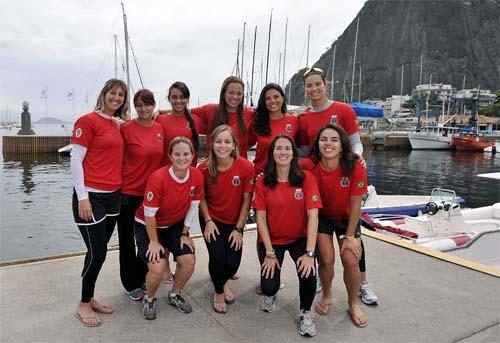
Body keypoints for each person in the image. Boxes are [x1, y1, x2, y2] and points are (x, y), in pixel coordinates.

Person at [299, 67, 378, 305]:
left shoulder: (342, 110)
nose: (314, 89)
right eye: (309, 86)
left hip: (344, 180)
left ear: (326, 84)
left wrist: (355, 160)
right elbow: (304, 152)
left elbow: (355, 142)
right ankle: (324, 283)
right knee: (325, 255)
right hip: (320, 190)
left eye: (317, 84)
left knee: (353, 249)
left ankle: (363, 284)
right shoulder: (304, 118)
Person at [71, 78, 128, 327]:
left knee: (96, 252)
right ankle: (83, 304)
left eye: (121, 95)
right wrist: (83, 198)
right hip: (91, 197)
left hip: (113, 196)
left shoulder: (118, 125)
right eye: (112, 93)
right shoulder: (87, 121)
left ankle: (89, 297)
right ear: (104, 94)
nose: (116, 98)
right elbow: (75, 161)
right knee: (99, 253)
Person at [252, 134, 322, 337]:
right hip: (271, 241)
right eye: (278, 148)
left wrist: (310, 254)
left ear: (293, 153)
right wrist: (270, 253)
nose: (283, 152)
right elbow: (261, 220)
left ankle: (305, 313)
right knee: (269, 287)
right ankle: (270, 294)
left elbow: (313, 217)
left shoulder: (306, 178)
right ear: (272, 154)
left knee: (309, 276)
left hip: (299, 239)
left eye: (287, 148)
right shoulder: (264, 181)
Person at [301, 124, 368, 327]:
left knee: (351, 260)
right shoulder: (308, 165)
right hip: (322, 218)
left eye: (334, 139)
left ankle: (353, 302)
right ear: (318, 144)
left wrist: (350, 237)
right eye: (323, 139)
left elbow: (356, 204)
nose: (328, 143)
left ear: (342, 145)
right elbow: (282, 167)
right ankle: (328, 294)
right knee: (327, 261)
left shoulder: (354, 166)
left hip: (348, 219)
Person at [134, 137, 203, 320]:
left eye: (186, 154)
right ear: (170, 156)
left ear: (192, 155)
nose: (182, 158)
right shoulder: (158, 178)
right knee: (157, 268)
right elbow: (149, 215)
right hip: (147, 224)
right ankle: (149, 299)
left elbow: (194, 206)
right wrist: (154, 242)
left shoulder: (197, 176)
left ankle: (175, 294)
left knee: (188, 260)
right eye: (177, 154)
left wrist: (185, 233)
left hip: (173, 225)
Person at [197, 125, 254, 313]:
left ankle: (220, 279)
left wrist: (239, 229)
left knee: (232, 264)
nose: (223, 146)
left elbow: (247, 201)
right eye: (219, 141)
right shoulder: (204, 167)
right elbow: (201, 198)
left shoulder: (246, 166)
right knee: (218, 257)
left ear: (234, 145)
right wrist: (208, 221)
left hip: (235, 221)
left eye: (227, 141)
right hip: (211, 218)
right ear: (212, 144)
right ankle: (219, 290)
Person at [117, 89, 164, 301]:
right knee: (127, 241)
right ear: (134, 107)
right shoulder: (126, 128)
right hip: (128, 194)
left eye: (148, 104)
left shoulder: (159, 128)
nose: (144, 109)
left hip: (150, 195)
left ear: (154, 105)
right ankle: (130, 283)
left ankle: (142, 274)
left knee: (145, 240)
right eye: (139, 105)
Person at [191, 76, 255, 158]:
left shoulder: (249, 113)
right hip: (213, 166)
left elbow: (252, 141)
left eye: (239, 93)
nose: (235, 97)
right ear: (223, 94)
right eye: (231, 92)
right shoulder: (210, 110)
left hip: (239, 166)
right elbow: (182, 111)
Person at [253, 83, 299, 174]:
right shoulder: (256, 121)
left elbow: (298, 148)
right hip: (260, 175)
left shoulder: (294, 121)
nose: (272, 101)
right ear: (264, 102)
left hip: (285, 175)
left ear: (282, 98)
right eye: (268, 98)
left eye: (276, 97)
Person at [156, 81, 203, 166]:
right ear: (169, 99)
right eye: (174, 97)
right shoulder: (159, 120)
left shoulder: (197, 120)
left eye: (182, 97)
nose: (178, 101)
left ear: (188, 98)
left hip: (190, 174)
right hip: (166, 174)